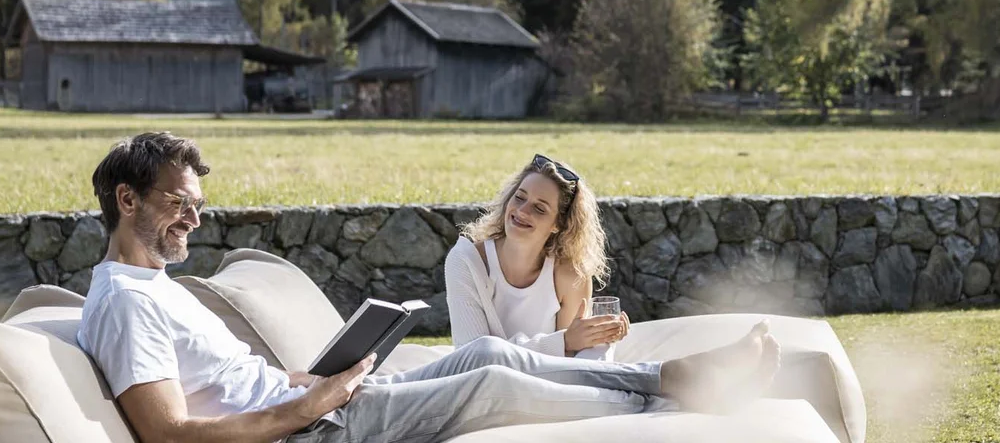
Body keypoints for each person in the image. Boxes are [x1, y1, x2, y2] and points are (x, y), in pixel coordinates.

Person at [76, 132, 780, 443]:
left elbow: (223, 383)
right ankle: (682, 393)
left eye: (197, 202)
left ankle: (671, 375)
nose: (194, 216)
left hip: (311, 405)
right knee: (492, 385)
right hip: (307, 433)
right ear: (128, 201)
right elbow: (168, 434)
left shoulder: (159, 285)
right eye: (178, 201)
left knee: (491, 359)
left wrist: (308, 377)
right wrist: (307, 405)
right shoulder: (125, 302)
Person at [444, 154, 625, 359]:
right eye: (520, 197)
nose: (522, 211)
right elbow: (474, 357)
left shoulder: (571, 276)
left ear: (559, 224)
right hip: (483, 386)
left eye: (539, 208)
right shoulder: (466, 261)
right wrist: (563, 342)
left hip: (546, 386)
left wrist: (601, 337)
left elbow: (571, 363)